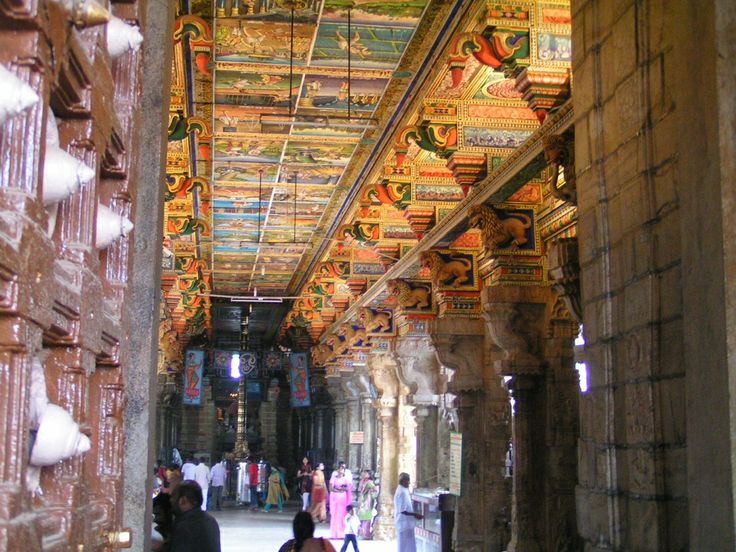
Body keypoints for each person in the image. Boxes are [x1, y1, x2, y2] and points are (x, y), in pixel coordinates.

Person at [169, 480, 221, 552]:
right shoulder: (211, 520)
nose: (171, 501)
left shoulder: (184, 525)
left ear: (183, 500)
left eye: (173, 498)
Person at [393, 473, 423, 552]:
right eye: (407, 481)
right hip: (404, 524)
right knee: (404, 546)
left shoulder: (404, 489)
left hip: (407, 524)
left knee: (409, 546)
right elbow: (403, 511)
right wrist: (415, 515)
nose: (409, 483)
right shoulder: (401, 492)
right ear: (403, 481)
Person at [329, 463, 352, 539]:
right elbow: (331, 488)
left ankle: (341, 534)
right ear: (338, 469)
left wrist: (340, 489)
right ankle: (334, 534)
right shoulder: (334, 478)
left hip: (343, 498)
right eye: (340, 468)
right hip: (335, 498)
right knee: (335, 515)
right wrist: (339, 489)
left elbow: (348, 488)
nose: (341, 470)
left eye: (343, 469)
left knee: (342, 515)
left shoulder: (345, 478)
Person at [357, 470, 378, 539]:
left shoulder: (369, 482)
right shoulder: (362, 481)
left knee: (367, 517)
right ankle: (361, 533)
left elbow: (375, 490)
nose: (364, 474)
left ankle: (366, 534)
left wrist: (370, 493)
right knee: (361, 516)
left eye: (366, 473)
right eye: (364, 472)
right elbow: (360, 491)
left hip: (367, 501)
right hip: (362, 500)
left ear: (369, 475)